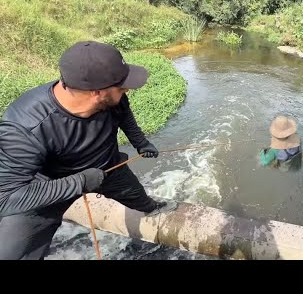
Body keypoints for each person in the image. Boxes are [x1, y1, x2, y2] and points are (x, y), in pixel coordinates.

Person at [0, 40, 178, 260]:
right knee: (11, 252)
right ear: (96, 93)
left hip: (108, 168)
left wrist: (140, 142)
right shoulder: (26, 126)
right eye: (121, 87)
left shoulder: (112, 99)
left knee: (140, 199)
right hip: (49, 185)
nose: (126, 90)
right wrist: (79, 182)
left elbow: (125, 115)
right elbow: (6, 198)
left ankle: (151, 208)